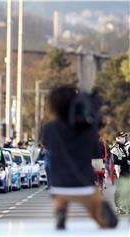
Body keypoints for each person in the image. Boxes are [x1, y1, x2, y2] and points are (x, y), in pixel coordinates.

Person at [40, 86, 117, 230]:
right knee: (108, 222)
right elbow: (96, 152)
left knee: (59, 199)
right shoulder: (86, 129)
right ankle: (99, 213)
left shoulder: (49, 128)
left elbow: (46, 144)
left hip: (59, 186)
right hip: (84, 185)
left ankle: (60, 211)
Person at [110, 131, 130, 214]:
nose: (124, 138)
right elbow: (115, 161)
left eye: (124, 137)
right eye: (122, 137)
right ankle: (119, 206)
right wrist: (127, 161)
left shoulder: (124, 147)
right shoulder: (115, 148)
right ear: (117, 138)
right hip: (120, 169)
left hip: (126, 169)